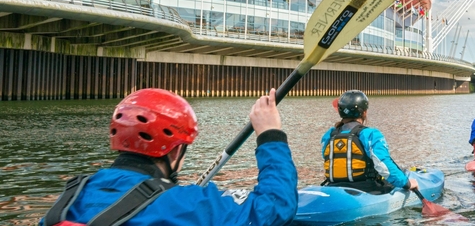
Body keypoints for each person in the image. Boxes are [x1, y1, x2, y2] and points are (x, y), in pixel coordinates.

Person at [41, 88, 297, 226]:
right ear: (175, 150)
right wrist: (270, 133)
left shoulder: (69, 198)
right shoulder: (185, 205)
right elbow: (274, 208)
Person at [321, 90, 418, 194]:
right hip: (365, 188)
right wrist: (407, 184)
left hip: (333, 187)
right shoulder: (370, 134)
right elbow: (384, 165)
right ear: (364, 112)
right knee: (400, 175)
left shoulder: (330, 135)